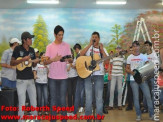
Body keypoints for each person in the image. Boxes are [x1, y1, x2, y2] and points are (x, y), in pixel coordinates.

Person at [44, 25, 72, 122]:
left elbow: (71, 60)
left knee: (63, 100)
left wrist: (69, 59)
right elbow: (45, 62)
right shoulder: (49, 47)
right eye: (59, 35)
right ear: (55, 34)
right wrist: (53, 59)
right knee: (53, 100)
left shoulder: (67, 45)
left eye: (62, 35)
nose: (61, 37)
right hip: (52, 77)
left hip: (63, 77)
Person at [10, 32, 39, 122]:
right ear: (24, 40)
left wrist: (36, 61)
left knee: (34, 101)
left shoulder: (32, 50)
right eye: (29, 39)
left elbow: (33, 66)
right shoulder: (18, 49)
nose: (31, 40)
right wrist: (23, 59)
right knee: (22, 102)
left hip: (30, 79)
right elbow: (12, 62)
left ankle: (35, 119)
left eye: (31, 38)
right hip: (21, 80)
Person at [80, 31, 109, 122]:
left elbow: (107, 62)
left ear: (99, 39)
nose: (94, 38)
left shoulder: (102, 49)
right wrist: (89, 44)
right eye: (93, 37)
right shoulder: (88, 48)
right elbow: (80, 55)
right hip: (88, 75)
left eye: (96, 37)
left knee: (99, 99)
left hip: (99, 76)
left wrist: (102, 49)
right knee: (88, 99)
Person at [126, 41, 154, 121]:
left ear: (139, 47)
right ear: (133, 47)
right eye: (134, 46)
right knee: (136, 98)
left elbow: (148, 66)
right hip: (133, 80)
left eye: (137, 46)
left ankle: (151, 115)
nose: (136, 48)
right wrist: (131, 72)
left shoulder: (143, 56)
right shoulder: (129, 57)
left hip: (143, 80)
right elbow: (127, 68)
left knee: (148, 96)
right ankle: (138, 115)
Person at [142, 41, 159, 113]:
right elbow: (142, 66)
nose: (146, 47)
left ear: (150, 46)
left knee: (153, 92)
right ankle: (145, 107)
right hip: (145, 76)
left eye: (147, 45)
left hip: (153, 76)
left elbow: (157, 64)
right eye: (145, 45)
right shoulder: (144, 56)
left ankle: (152, 107)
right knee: (145, 93)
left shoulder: (154, 54)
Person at [108, 46, 126, 110]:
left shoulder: (123, 57)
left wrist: (125, 75)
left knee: (119, 89)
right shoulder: (113, 56)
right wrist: (109, 73)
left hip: (120, 74)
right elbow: (110, 65)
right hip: (113, 74)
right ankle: (111, 105)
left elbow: (124, 66)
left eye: (119, 48)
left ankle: (119, 104)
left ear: (121, 49)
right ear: (115, 50)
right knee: (112, 89)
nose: (118, 50)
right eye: (117, 49)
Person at [72, 43, 85, 115]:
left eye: (75, 50)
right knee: (83, 92)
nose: (75, 51)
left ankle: (76, 109)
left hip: (80, 76)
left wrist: (74, 66)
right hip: (85, 75)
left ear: (77, 49)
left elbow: (74, 65)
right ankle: (82, 107)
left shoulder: (78, 56)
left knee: (78, 93)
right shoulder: (85, 54)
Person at [125, 46, 134, 111]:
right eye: (130, 50)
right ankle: (130, 105)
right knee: (129, 92)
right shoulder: (128, 58)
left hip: (136, 78)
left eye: (132, 50)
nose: (131, 51)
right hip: (129, 78)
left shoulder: (137, 57)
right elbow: (126, 69)